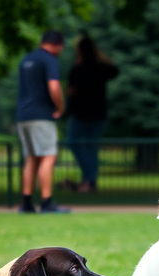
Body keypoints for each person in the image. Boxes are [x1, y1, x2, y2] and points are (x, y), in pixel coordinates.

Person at [16, 30, 67, 214]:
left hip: (23, 116)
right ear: (56, 44)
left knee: (31, 157)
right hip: (41, 115)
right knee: (48, 155)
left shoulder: (26, 59)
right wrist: (60, 108)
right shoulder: (49, 60)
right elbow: (54, 86)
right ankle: (47, 202)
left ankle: (27, 203)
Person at [66, 34, 118, 194]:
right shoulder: (101, 69)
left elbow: (70, 91)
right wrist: (100, 55)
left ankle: (88, 179)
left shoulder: (77, 69)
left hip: (81, 114)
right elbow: (115, 70)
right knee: (91, 147)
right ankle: (90, 181)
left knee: (74, 143)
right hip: (98, 114)